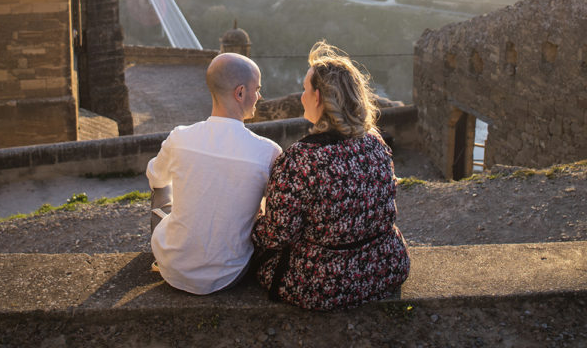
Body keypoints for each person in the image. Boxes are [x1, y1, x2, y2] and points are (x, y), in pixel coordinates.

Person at [251, 41, 410, 310]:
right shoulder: (376, 143)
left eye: (305, 89)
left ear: (318, 98)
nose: (300, 96)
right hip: (386, 268)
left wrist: (254, 222)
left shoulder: (301, 159)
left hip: (325, 284)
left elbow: (277, 236)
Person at [146, 52, 282, 294]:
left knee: (161, 186)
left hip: (173, 270)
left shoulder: (179, 137)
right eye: (257, 89)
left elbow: (156, 178)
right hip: (230, 275)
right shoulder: (268, 152)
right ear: (240, 93)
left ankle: (175, 248)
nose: (259, 96)